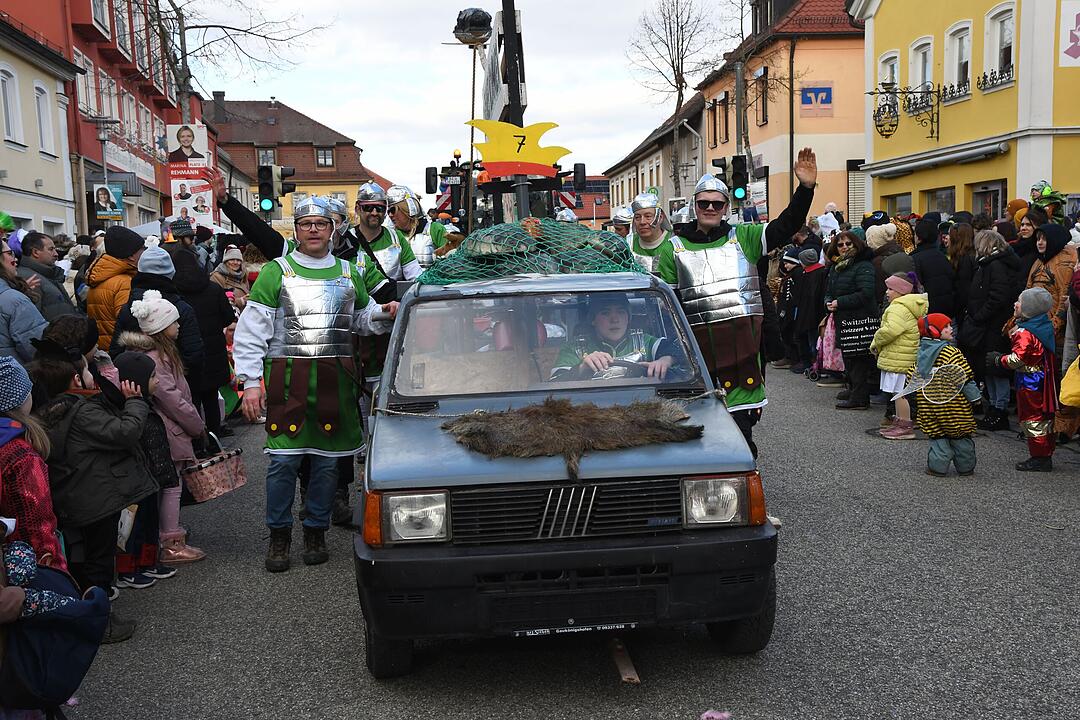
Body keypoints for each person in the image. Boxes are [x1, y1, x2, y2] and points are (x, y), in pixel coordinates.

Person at [232, 196, 397, 572]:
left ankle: (315, 529)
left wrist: (383, 313)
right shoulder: (278, 271)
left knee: (327, 464)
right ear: (297, 229)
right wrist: (251, 382)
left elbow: (360, 318)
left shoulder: (347, 271)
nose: (313, 230)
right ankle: (279, 535)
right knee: (283, 463)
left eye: (320, 224)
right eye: (305, 224)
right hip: (289, 379)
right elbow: (252, 331)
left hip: (335, 380)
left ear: (333, 228)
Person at [656, 148, 818, 454]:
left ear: (725, 207)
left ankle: (743, 492)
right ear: (695, 206)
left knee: (741, 441)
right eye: (703, 203)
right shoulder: (672, 249)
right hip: (696, 357)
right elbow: (668, 312)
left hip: (741, 353)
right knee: (696, 440)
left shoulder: (743, 238)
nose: (710, 208)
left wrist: (805, 190)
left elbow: (785, 225)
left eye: (716, 204)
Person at [34, 349, 158, 642]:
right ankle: (99, 622)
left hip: (75, 493)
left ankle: (90, 615)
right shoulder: (83, 411)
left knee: (86, 558)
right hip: (96, 497)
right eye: (91, 370)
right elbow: (125, 432)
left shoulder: (51, 412)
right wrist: (136, 403)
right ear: (77, 378)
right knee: (99, 562)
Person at [121, 290, 207, 562]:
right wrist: (197, 425)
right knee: (172, 485)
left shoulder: (155, 354)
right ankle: (170, 540)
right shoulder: (157, 360)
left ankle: (166, 535)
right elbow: (173, 401)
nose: (179, 326)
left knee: (168, 485)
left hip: (169, 428)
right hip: (170, 430)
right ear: (160, 328)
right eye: (174, 322)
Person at [0, 356, 65, 570]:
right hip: (28, 564)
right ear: (18, 399)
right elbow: (36, 520)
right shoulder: (21, 455)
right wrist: (55, 568)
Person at [109, 242, 204, 388]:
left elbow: (116, 351)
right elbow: (193, 356)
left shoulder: (129, 308)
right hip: (177, 390)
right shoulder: (181, 309)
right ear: (171, 273)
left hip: (135, 388)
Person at [987, 288, 1058, 471]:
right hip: (1042, 377)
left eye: (1019, 301)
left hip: (1029, 381)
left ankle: (1039, 457)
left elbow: (1017, 359)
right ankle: (1045, 452)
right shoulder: (1043, 325)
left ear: (1029, 309)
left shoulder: (1024, 332)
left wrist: (998, 360)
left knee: (1032, 418)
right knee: (1044, 417)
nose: (1015, 304)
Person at [961, 230, 1022, 432]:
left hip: (992, 326)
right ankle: (995, 408)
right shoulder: (991, 263)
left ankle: (999, 409)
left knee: (996, 368)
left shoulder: (994, 265)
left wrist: (979, 315)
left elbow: (998, 296)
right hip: (988, 325)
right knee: (989, 367)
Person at [173, 249, 233, 438]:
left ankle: (198, 440)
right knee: (211, 397)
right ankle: (214, 436)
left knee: (191, 398)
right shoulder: (213, 288)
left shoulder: (173, 292)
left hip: (186, 352)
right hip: (213, 350)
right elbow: (228, 318)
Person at [910, 314, 980, 477]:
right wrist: (975, 399)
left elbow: (912, 377)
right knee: (960, 437)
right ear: (933, 330)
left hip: (929, 407)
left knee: (938, 437)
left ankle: (937, 468)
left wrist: (914, 397)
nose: (951, 329)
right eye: (946, 326)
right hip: (954, 407)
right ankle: (965, 467)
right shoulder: (951, 353)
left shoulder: (921, 354)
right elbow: (964, 379)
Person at [550, 294, 677, 381]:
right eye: (605, 313)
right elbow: (555, 383)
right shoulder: (574, 348)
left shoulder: (646, 342)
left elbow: (682, 352)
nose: (615, 320)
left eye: (621, 312)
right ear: (593, 319)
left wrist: (666, 360)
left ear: (628, 318)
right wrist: (582, 368)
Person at [824, 230, 878, 409]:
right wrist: (829, 302)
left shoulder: (863, 265)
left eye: (848, 243)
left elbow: (866, 293)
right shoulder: (836, 266)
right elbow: (830, 291)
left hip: (860, 321)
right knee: (849, 358)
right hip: (844, 319)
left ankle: (860, 398)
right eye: (840, 245)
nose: (844, 247)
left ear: (856, 244)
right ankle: (855, 389)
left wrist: (840, 302)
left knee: (859, 360)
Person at [871, 272, 928, 439]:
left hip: (898, 356)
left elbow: (890, 331)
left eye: (890, 289)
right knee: (899, 393)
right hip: (904, 355)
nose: (887, 292)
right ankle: (899, 421)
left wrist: (876, 342)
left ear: (901, 291)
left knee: (899, 393)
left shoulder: (897, 308)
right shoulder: (909, 306)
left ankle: (904, 425)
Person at [1025, 223, 1078, 363]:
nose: (1040, 242)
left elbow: (1063, 297)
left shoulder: (1064, 263)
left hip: (1051, 331)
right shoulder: (1039, 261)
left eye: (1044, 239)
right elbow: (1027, 292)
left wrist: (1053, 326)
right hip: (1036, 326)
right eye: (1038, 239)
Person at [85, 225, 144, 350]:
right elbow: (129, 324)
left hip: (104, 347)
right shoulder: (124, 282)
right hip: (121, 350)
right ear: (131, 255)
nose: (144, 253)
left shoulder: (102, 277)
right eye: (141, 249)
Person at [1, 239, 48, 363]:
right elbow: (39, 351)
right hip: (16, 379)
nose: (15, 259)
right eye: (10, 253)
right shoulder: (15, 301)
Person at [16, 231, 77, 320]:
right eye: (51, 249)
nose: (56, 254)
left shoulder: (48, 275)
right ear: (35, 252)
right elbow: (32, 321)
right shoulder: (30, 278)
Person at [911, 217, 956, 316]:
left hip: (926, 311)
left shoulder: (914, 259)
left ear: (918, 238)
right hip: (946, 309)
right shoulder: (943, 256)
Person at [627, 193, 675, 273]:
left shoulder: (674, 242)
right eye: (637, 217)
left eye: (648, 216)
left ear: (660, 217)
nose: (642, 222)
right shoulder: (628, 244)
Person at [947, 224, 978, 325]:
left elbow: (963, 289)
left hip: (964, 310)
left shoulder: (964, 260)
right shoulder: (970, 256)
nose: (947, 239)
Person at [211, 244, 251, 310]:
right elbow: (215, 300)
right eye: (232, 259)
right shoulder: (216, 277)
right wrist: (240, 301)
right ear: (226, 261)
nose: (235, 262)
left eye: (238, 260)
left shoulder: (244, 274)